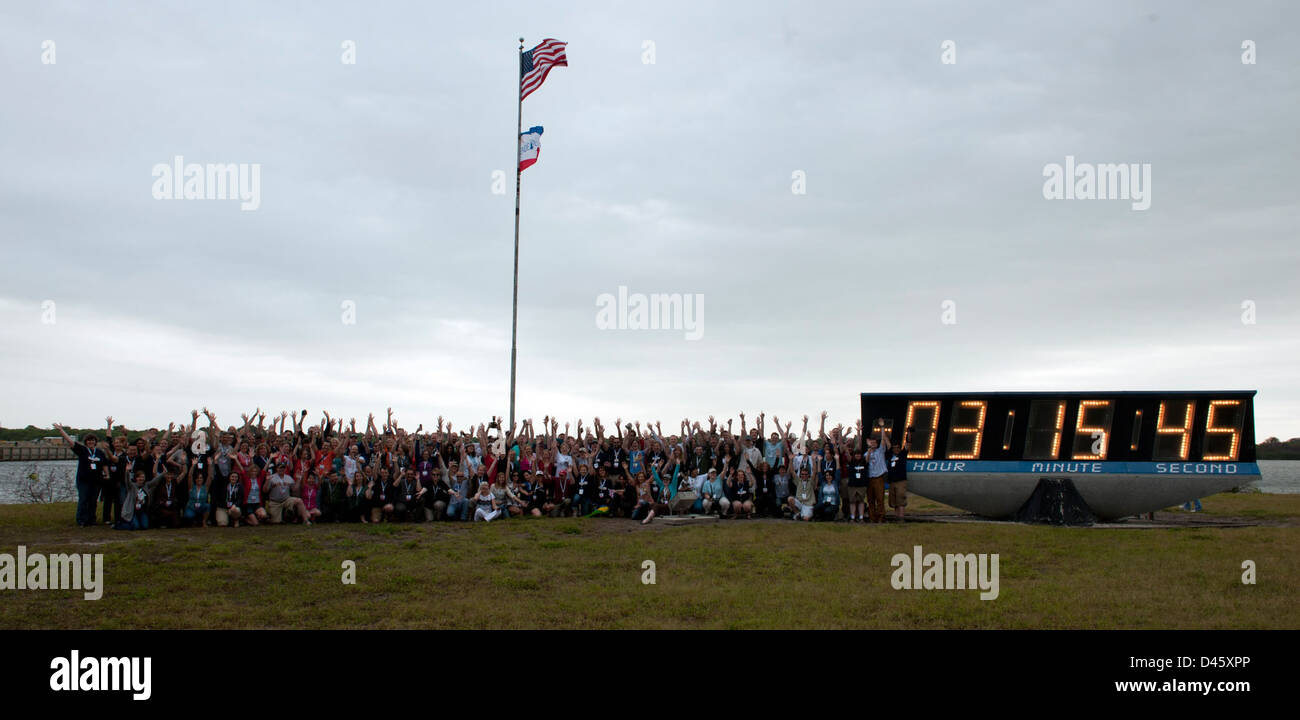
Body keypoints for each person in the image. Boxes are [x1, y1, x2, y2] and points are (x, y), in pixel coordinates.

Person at [54, 422, 108, 527]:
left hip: (96, 480)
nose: (91, 442)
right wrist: (61, 430)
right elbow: (71, 442)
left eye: (93, 440)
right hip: (83, 480)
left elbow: (104, 464)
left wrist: (107, 475)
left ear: (95, 442)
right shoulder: (82, 450)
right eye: (89, 440)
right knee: (83, 499)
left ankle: (91, 520)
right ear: (86, 442)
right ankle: (81, 520)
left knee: (93, 501)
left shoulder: (99, 452)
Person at [865, 426, 890, 523]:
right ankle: (872, 517)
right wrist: (869, 451)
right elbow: (866, 461)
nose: (873, 444)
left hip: (879, 478)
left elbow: (883, 439)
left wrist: (883, 427)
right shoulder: (867, 453)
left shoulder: (880, 451)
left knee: (880, 499)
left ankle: (881, 517)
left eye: (875, 443)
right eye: (871, 443)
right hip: (870, 478)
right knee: (870, 500)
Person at [888, 433, 910, 521]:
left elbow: (908, 444)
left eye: (897, 447)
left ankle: (901, 517)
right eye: (894, 448)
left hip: (901, 480)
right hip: (892, 481)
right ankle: (896, 516)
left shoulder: (903, 454)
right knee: (894, 500)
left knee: (901, 499)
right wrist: (882, 427)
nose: (896, 449)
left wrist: (909, 434)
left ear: (900, 448)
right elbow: (886, 442)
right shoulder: (890, 455)